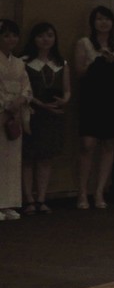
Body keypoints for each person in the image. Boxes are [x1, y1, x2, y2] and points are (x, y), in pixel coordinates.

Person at [74, 6, 114, 210]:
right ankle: (82, 192)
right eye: (99, 19)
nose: (103, 23)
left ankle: (99, 192)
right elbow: (79, 72)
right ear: (93, 22)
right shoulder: (84, 43)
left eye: (107, 19)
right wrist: (97, 61)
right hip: (91, 99)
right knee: (87, 144)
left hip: (113, 100)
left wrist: (112, 61)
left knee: (109, 144)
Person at [20, 22, 70, 215]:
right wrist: (40, 104)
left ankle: (41, 198)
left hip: (53, 115)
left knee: (46, 158)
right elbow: (23, 90)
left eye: (49, 35)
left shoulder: (61, 63)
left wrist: (64, 100)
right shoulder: (24, 61)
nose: (45, 39)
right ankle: (29, 199)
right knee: (28, 157)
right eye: (41, 36)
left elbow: (67, 90)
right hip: (31, 114)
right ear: (34, 39)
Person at [0, 19, 30, 221]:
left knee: (12, 160)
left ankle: (8, 203)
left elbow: (26, 87)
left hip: (14, 113)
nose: (11, 39)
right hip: (2, 110)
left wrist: (20, 100)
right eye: (6, 35)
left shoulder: (19, 63)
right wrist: (5, 104)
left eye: (14, 35)